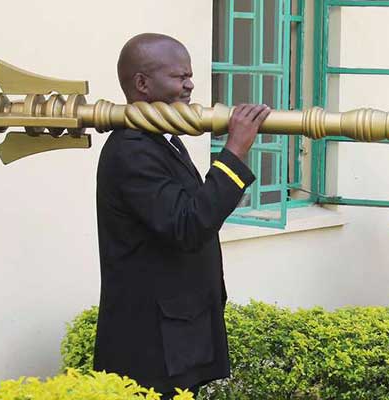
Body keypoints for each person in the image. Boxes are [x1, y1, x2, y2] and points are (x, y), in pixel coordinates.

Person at [93, 33, 270, 399]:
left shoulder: (159, 139)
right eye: (179, 76)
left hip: (177, 333)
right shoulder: (132, 150)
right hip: (150, 344)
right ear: (142, 83)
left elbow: (197, 210)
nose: (190, 84)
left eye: (190, 75)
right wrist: (234, 152)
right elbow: (189, 225)